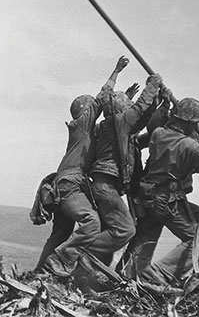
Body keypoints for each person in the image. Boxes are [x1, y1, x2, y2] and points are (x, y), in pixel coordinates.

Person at [125, 98, 199, 286]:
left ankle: (128, 275)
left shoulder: (159, 134)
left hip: (147, 197)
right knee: (197, 241)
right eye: (195, 124)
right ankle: (162, 273)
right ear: (188, 123)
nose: (196, 128)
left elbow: (186, 162)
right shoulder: (189, 146)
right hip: (166, 201)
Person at [35, 56, 129, 276]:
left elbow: (109, 114)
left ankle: (40, 274)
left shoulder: (85, 132)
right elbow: (102, 97)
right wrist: (116, 71)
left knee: (60, 234)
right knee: (91, 222)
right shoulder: (82, 125)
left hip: (65, 185)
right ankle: (62, 261)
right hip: (70, 185)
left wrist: (125, 101)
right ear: (85, 111)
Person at [85, 71, 164, 263]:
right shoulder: (120, 123)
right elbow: (140, 109)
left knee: (110, 232)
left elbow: (142, 119)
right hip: (106, 186)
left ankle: (91, 270)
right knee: (125, 229)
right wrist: (153, 84)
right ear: (122, 110)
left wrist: (160, 103)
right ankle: (79, 252)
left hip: (104, 185)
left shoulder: (112, 127)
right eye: (128, 107)